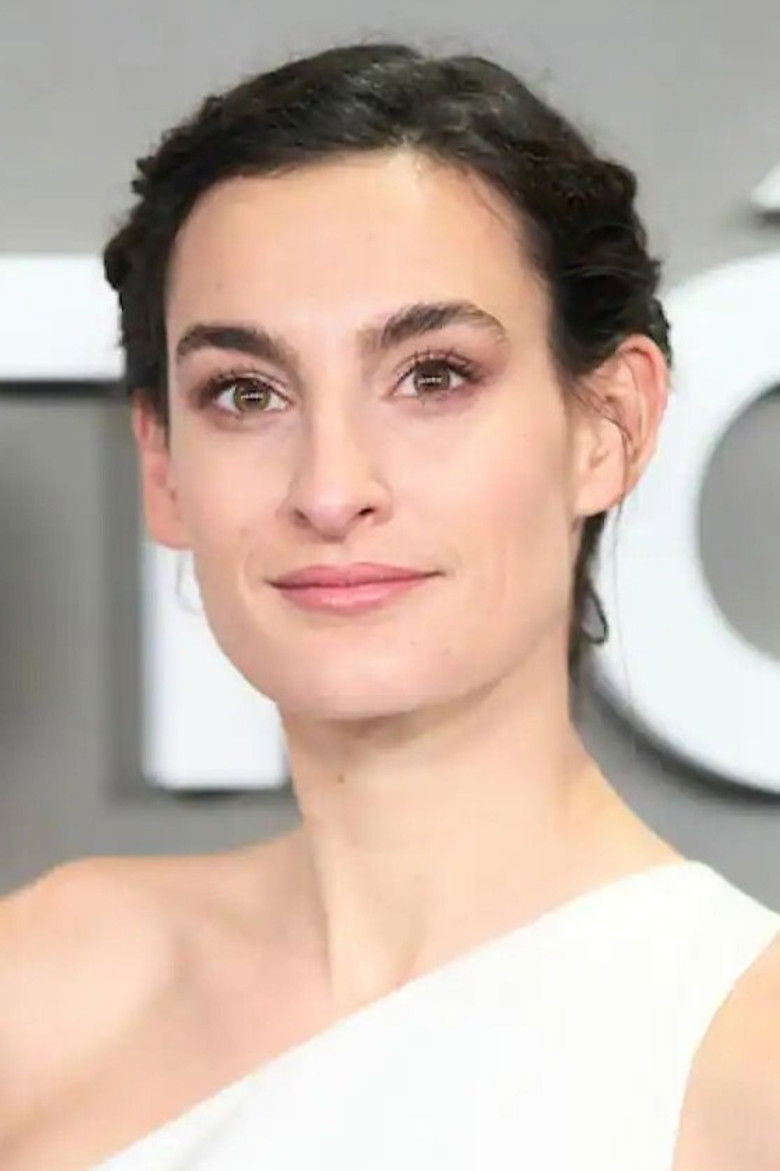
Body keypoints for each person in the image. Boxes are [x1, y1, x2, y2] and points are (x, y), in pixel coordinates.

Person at [1, 40, 779, 1171]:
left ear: (609, 425)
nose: (330, 490)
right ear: (162, 465)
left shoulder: (748, 1062)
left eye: (433, 376)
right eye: (246, 393)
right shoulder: (45, 985)